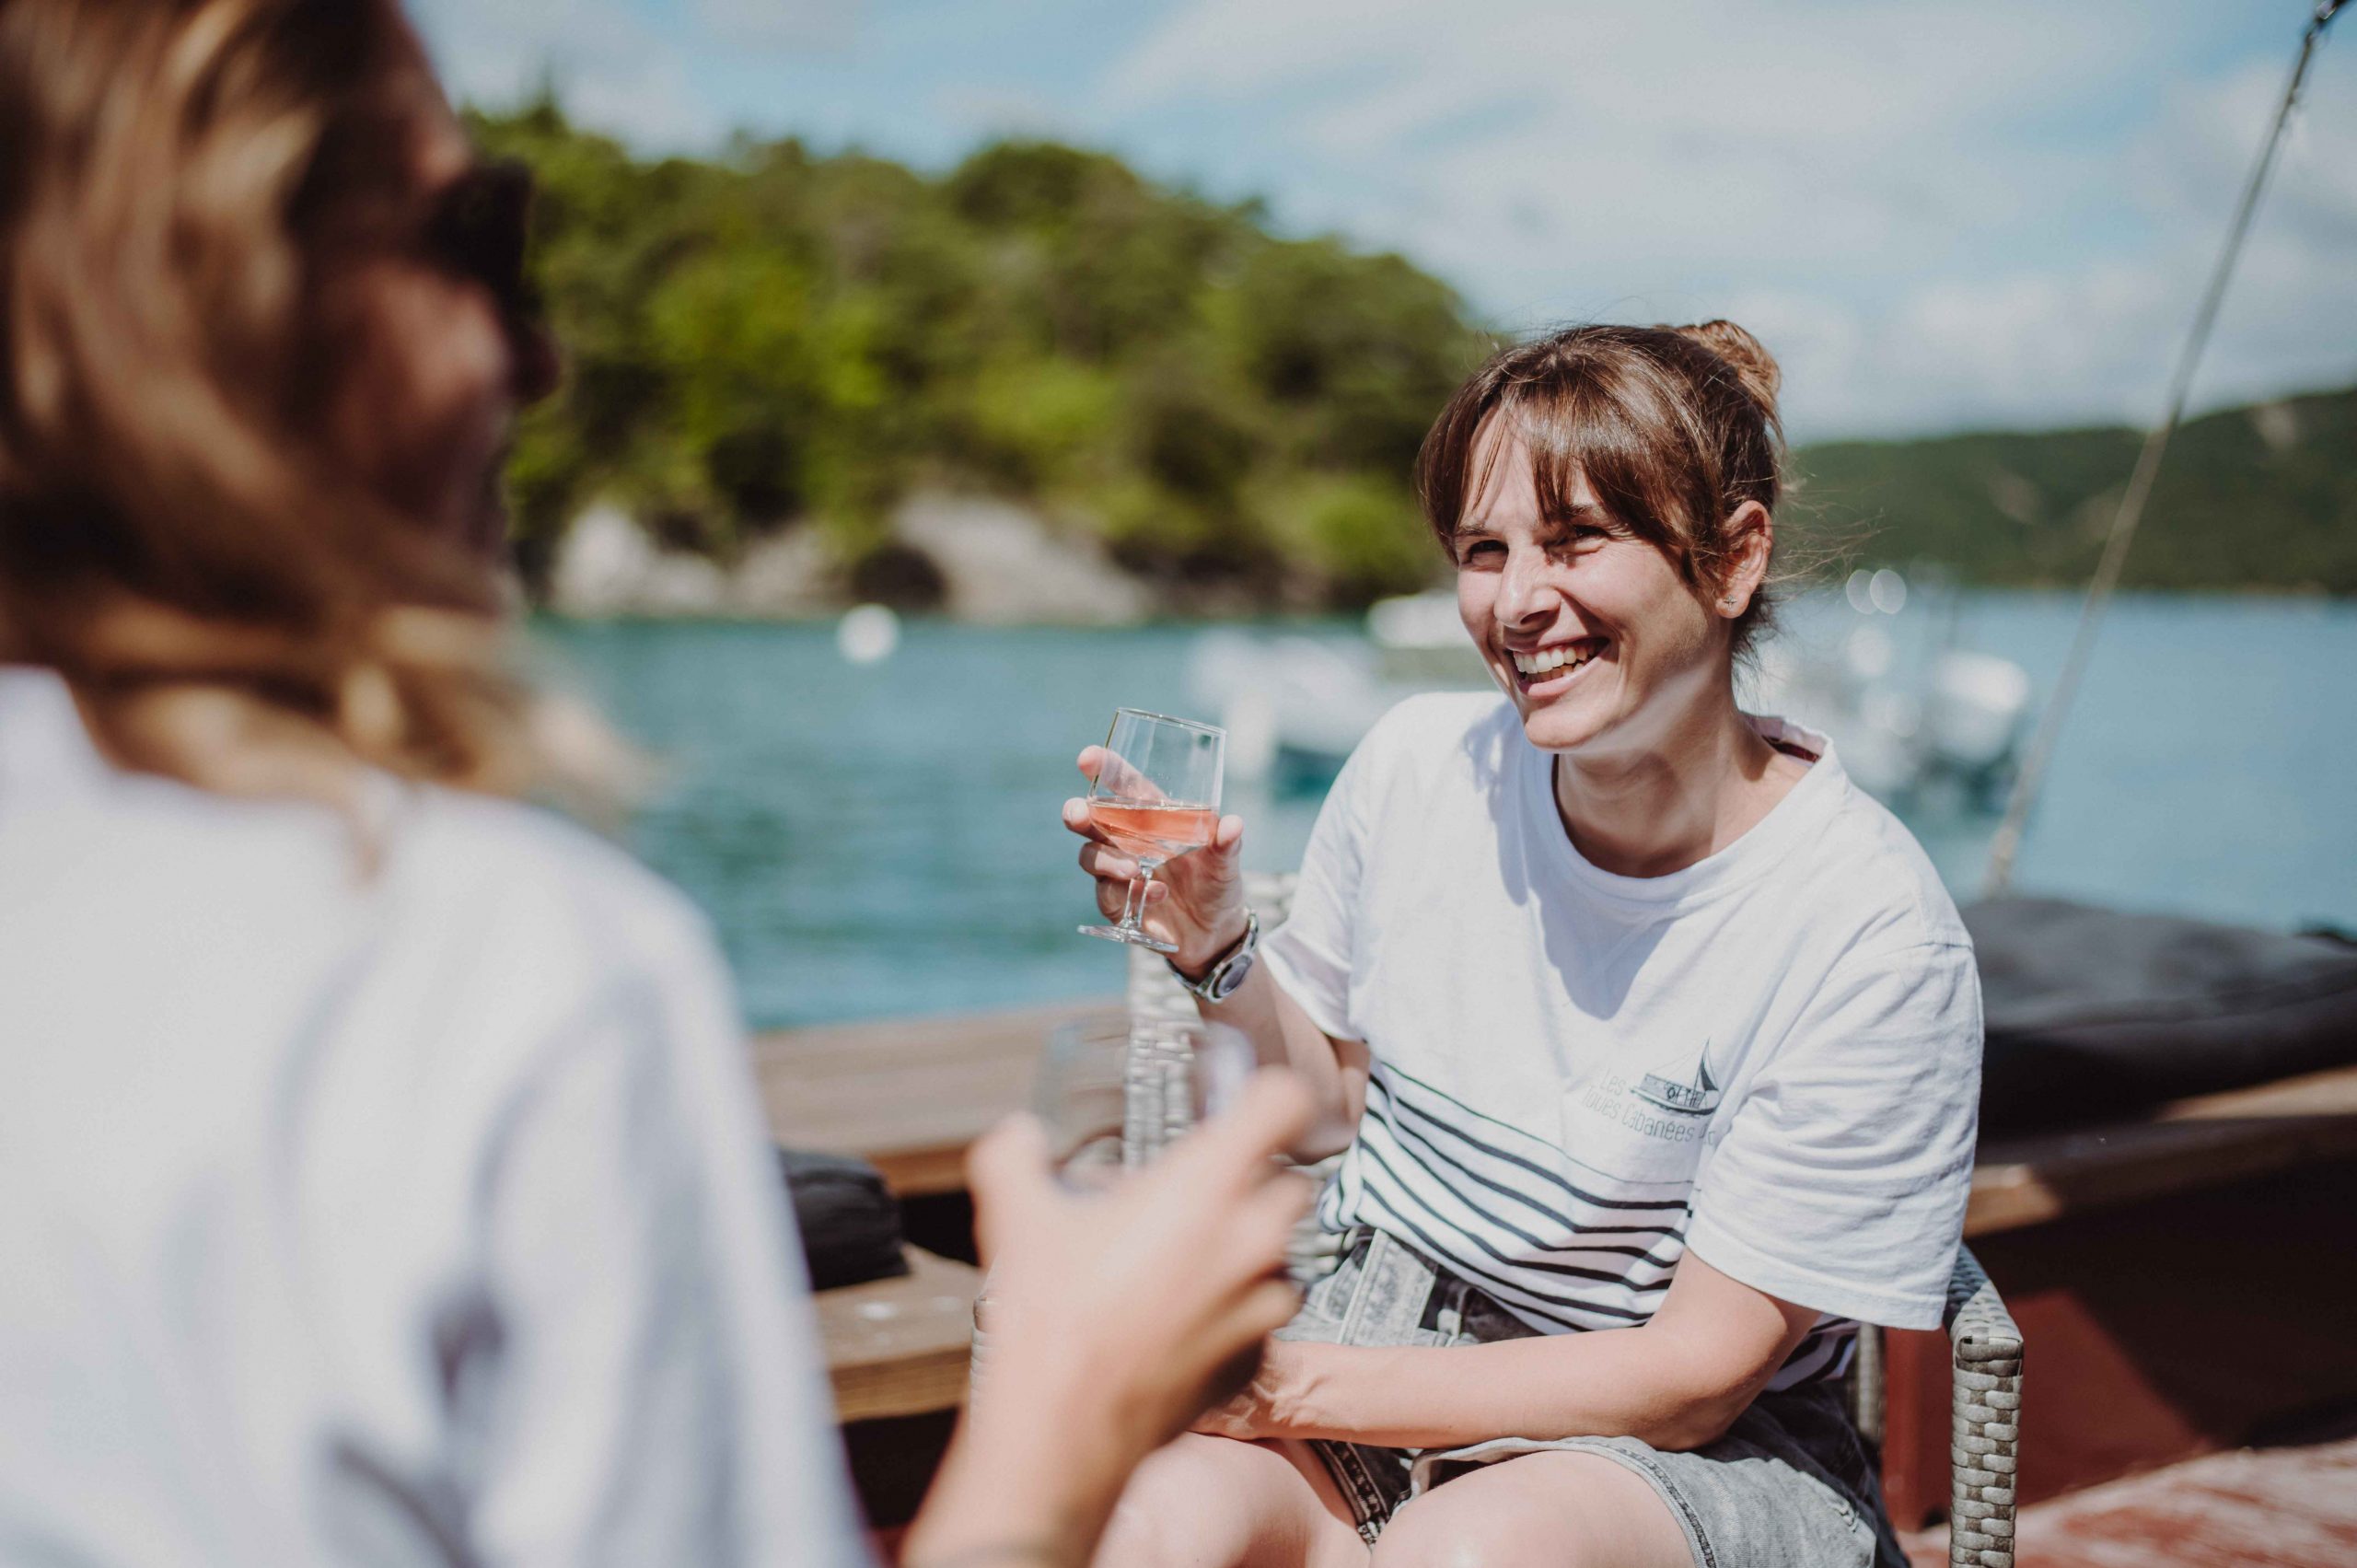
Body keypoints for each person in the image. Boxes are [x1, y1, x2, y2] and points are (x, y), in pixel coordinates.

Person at [0, 4, 1313, 1565]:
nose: (538, 359)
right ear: (238, 288)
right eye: (478, 242)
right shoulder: (511, 977)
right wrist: (1065, 1411)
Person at [1066, 321, 1982, 1568]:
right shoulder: (1414, 771)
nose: (1516, 602)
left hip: (1688, 1452)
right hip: (1377, 1331)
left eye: (1577, 539)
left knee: (1469, 1558)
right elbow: (1328, 1110)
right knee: (1149, 1526)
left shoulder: (1869, 931)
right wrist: (1213, 945)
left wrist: (1275, 1387)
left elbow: (1694, 1377)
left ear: (1732, 560)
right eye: (1483, 552)